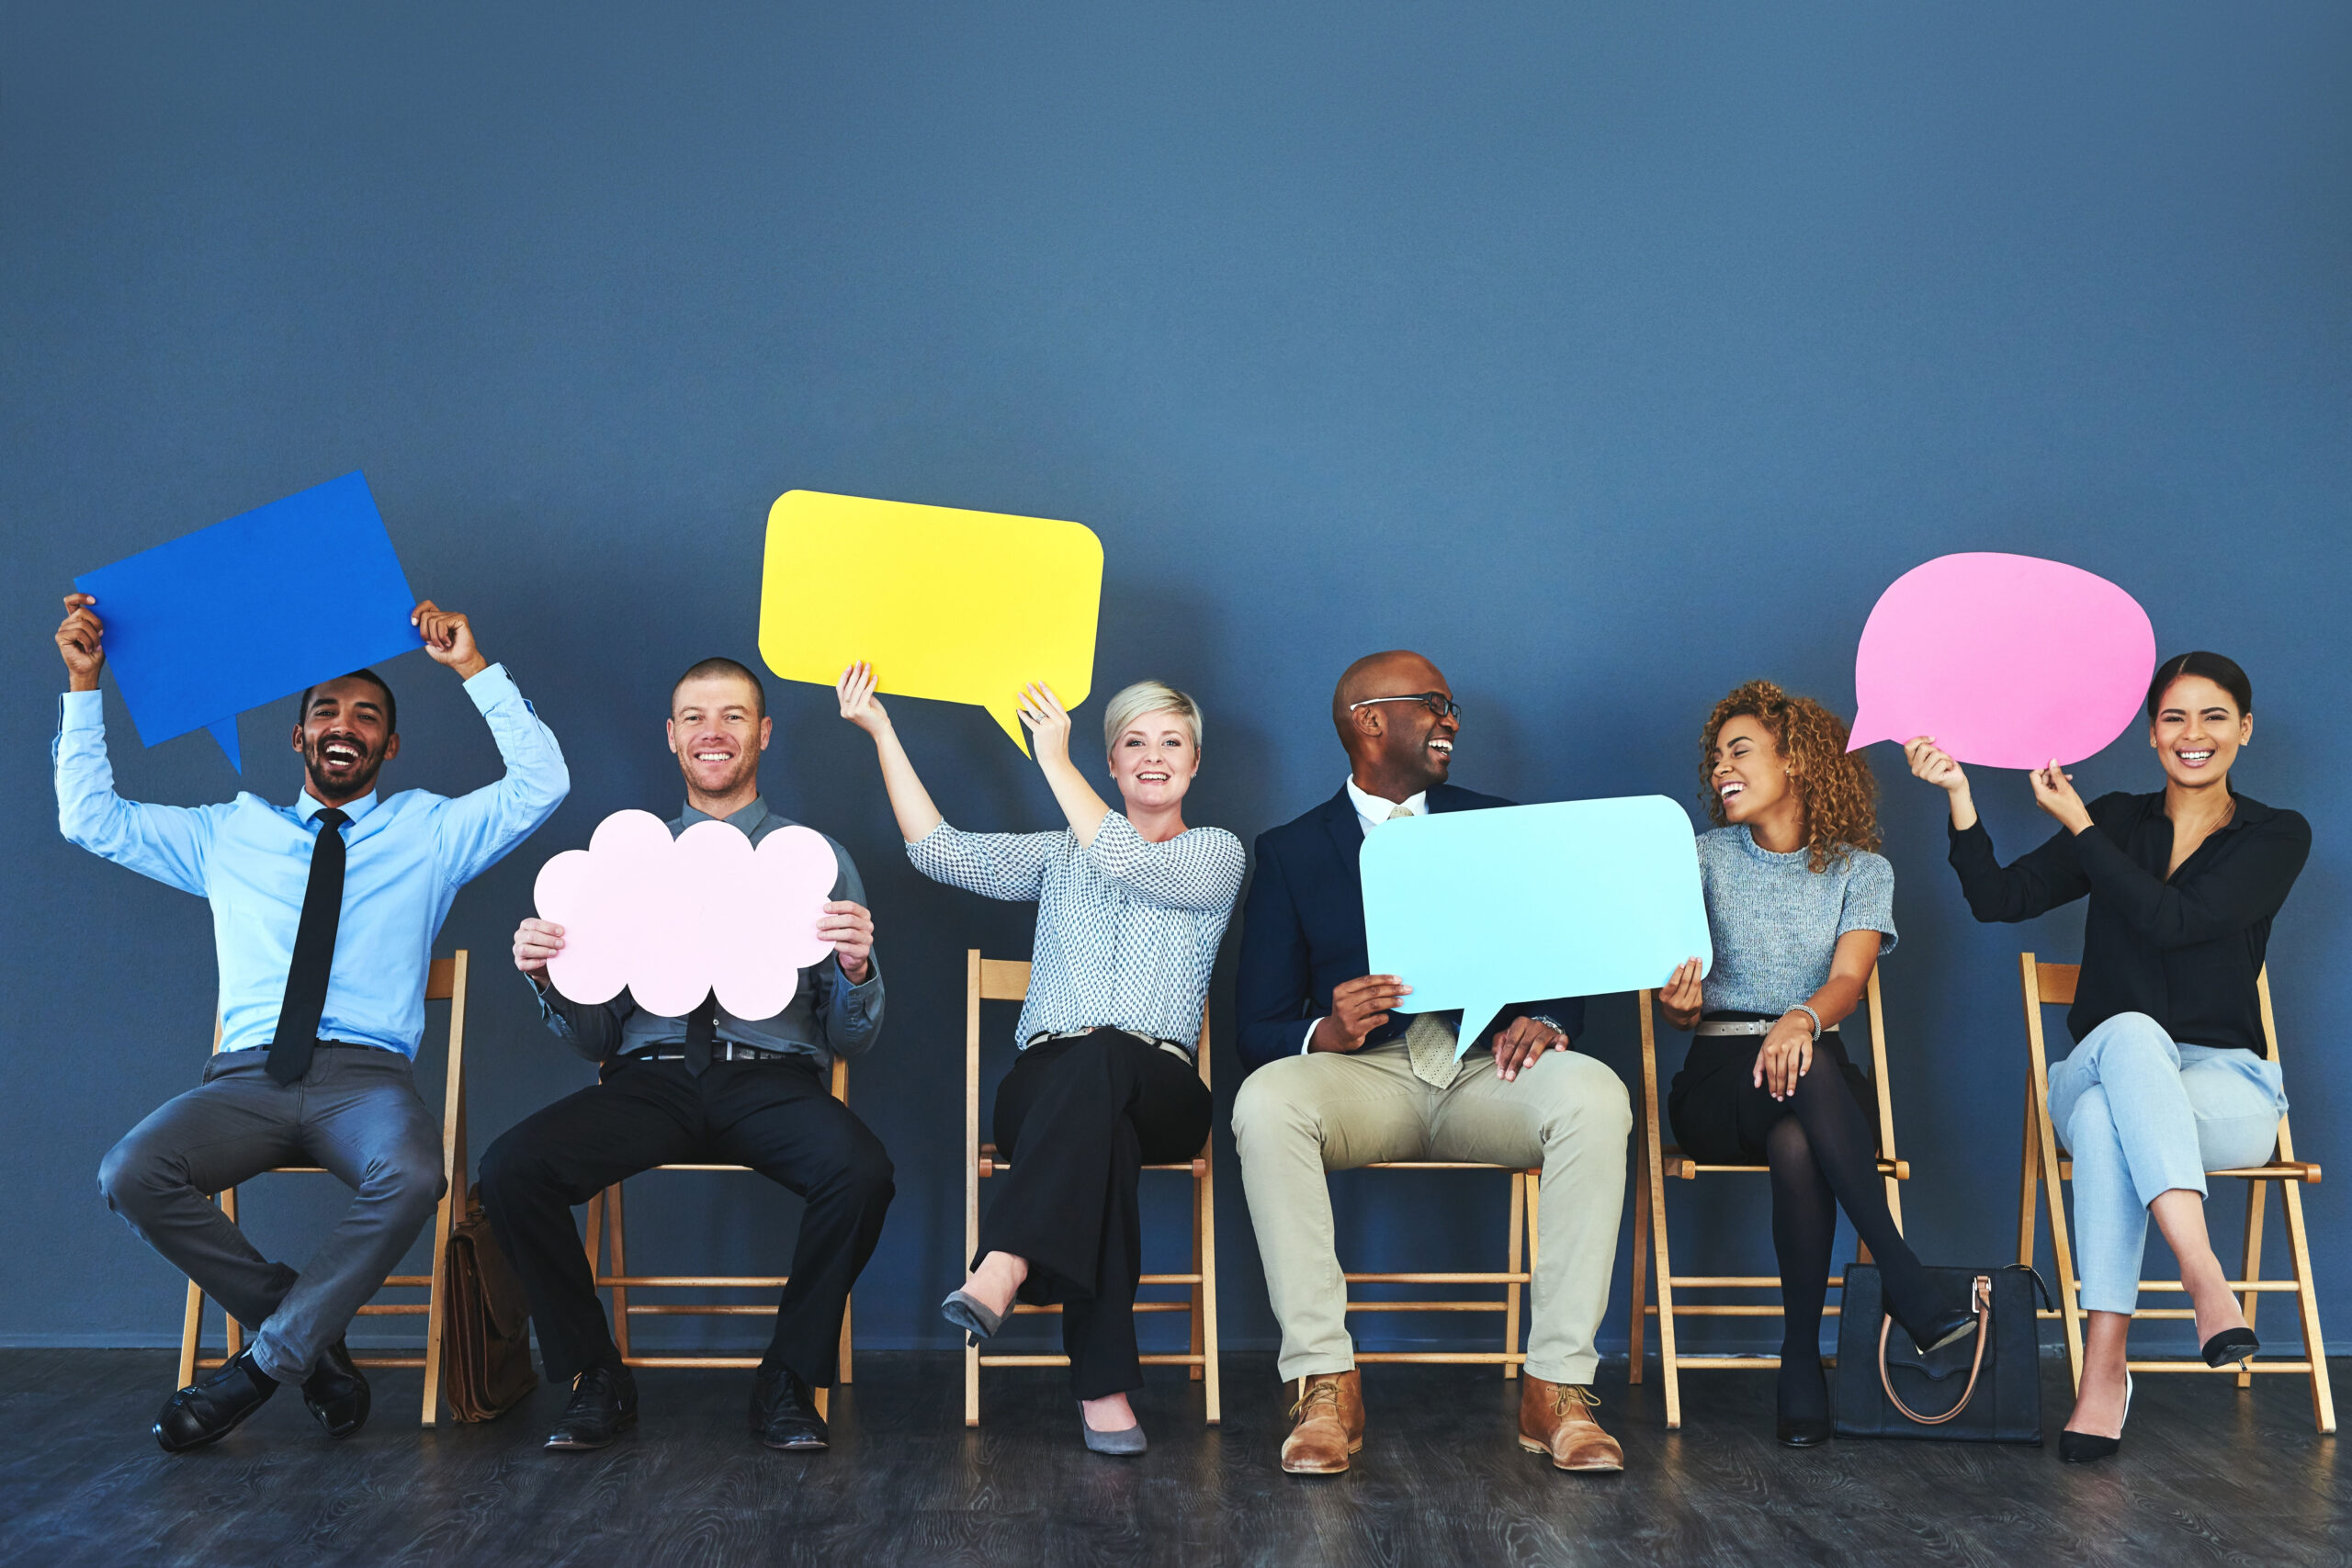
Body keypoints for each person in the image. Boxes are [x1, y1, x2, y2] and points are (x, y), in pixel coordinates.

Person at [57, 592, 569, 1452]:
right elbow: (89, 818)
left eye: (367, 716)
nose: (345, 724)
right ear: (298, 736)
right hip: (245, 1081)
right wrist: (83, 685)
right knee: (130, 1171)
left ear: (389, 746)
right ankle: (303, 1326)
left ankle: (261, 1367)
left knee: (415, 1173)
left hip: (365, 1085)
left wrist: (472, 669)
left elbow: (543, 782)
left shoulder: (430, 831)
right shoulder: (228, 834)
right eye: (326, 710)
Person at [1230, 649, 1631, 1476]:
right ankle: (1324, 1382)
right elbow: (1257, 1028)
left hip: (1492, 1074)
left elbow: (1566, 968)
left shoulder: (1501, 827)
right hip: (1366, 1079)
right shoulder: (1291, 850)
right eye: (1434, 703)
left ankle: (1557, 1388)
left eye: (1452, 707)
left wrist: (1550, 1019)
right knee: (1266, 1100)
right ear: (1370, 720)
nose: (1451, 719)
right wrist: (1327, 1029)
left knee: (1596, 1093)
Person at [1905, 650, 2307, 1463]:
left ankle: (2104, 1371)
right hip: (2105, 1060)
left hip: (2225, 1090)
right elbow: (1998, 899)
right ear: (2151, 732)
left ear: (2245, 728)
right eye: (2173, 717)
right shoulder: (2121, 818)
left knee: (2101, 1123)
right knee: (2127, 1034)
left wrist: (2082, 830)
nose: (2193, 734)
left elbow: (2175, 921)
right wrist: (1959, 796)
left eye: (2214, 716)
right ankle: (2204, 1277)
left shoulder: (2275, 835)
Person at [481, 657, 891, 1453]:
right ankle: (596, 1374)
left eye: (733, 715)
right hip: (653, 1079)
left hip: (771, 1079)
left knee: (863, 1170)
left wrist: (855, 969)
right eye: (695, 717)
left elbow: (853, 1038)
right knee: (509, 1169)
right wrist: (551, 980)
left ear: (763, 734)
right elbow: (597, 1040)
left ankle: (788, 1378)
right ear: (672, 737)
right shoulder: (626, 860)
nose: (714, 731)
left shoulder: (813, 858)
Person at [837, 661, 1243, 1457]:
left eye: (1171, 742)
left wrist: (1052, 759)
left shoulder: (1214, 854)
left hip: (1164, 1088)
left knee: (1109, 1060)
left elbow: (1128, 860)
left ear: (1195, 763)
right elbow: (937, 852)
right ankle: (1102, 1388)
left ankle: (1005, 1259)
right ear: (1112, 762)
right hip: (1047, 1088)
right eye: (1134, 742)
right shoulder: (1060, 855)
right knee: (1100, 1129)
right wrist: (881, 731)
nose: (1153, 756)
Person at [1657, 681, 1975, 1449]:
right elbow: (1678, 1006)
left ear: (1796, 759)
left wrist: (1799, 1018)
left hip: (1812, 1068)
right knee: (1806, 1091)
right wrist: (1678, 1005)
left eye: (1740, 751)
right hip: (1720, 1082)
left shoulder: (1863, 870)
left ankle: (1799, 1356)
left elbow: (1848, 981)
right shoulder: (1700, 857)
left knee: (1801, 1131)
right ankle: (1905, 1277)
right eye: (1715, 756)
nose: (1721, 768)